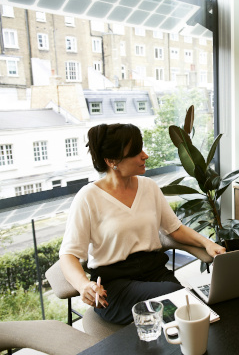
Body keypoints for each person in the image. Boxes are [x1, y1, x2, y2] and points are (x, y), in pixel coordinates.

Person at [59, 123, 225, 325]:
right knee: (179, 302)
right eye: (136, 152)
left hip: (156, 274)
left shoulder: (149, 187)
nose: (144, 155)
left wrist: (207, 243)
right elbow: (68, 255)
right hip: (115, 286)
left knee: (194, 311)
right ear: (112, 161)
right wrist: (83, 284)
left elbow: (174, 229)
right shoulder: (88, 197)